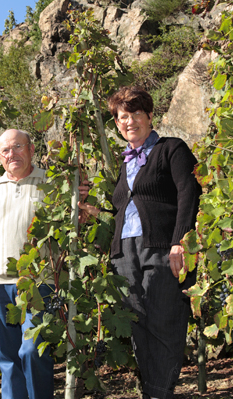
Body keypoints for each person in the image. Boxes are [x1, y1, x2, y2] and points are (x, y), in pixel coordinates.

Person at [78, 86, 202, 399]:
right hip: (124, 255)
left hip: (162, 248)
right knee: (138, 328)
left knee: (164, 322)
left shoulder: (171, 149)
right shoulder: (125, 164)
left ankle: (159, 393)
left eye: (135, 113)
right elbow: (122, 211)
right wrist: (92, 211)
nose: (129, 121)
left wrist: (180, 241)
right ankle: (153, 392)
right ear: (117, 124)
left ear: (149, 116)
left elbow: (189, 192)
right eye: (122, 116)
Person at [0, 129, 55, 399]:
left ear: (31, 150)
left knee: (32, 351)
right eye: (5, 150)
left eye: (18, 147)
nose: (12, 154)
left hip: (39, 284)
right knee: (8, 361)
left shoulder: (51, 182)